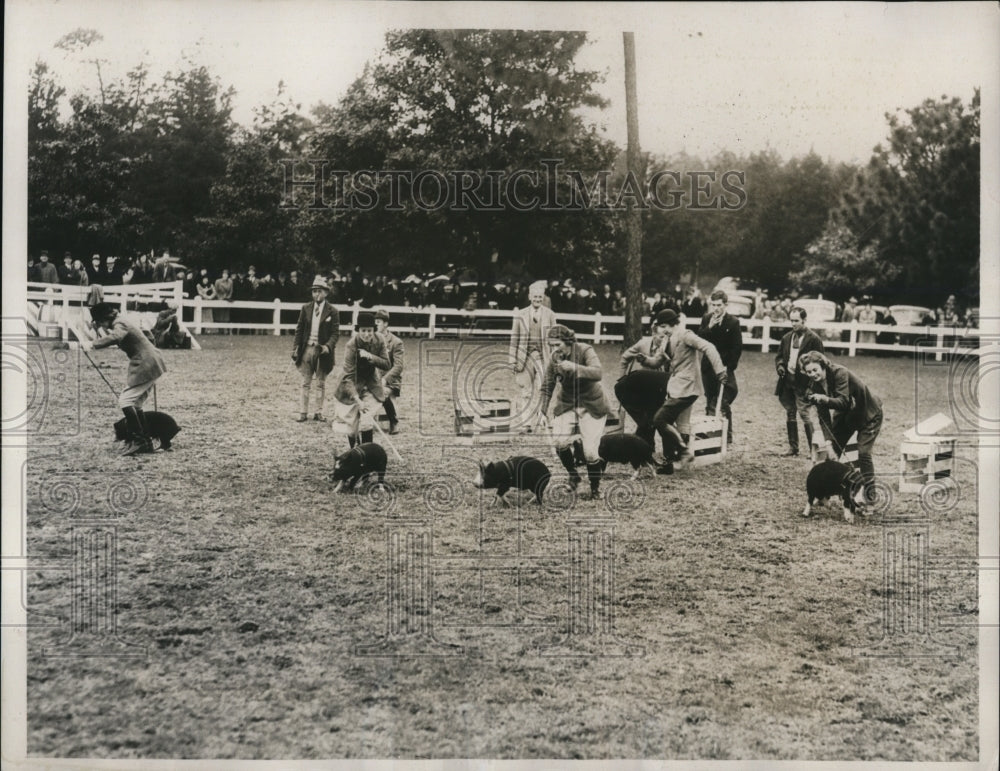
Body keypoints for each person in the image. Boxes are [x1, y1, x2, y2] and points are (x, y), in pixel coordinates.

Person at [82, 302, 167, 456]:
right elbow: (147, 335)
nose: (101, 326)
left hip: (146, 363)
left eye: (100, 322)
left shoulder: (119, 323)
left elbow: (116, 336)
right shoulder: (122, 320)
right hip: (152, 360)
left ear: (104, 318)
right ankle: (145, 442)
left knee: (125, 401)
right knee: (136, 403)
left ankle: (139, 441)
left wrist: (93, 344)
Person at [540, 324, 613, 499]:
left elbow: (598, 373)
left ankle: (595, 488)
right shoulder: (554, 358)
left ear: (568, 341)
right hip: (567, 403)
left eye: (557, 344)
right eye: (551, 345)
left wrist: (574, 367)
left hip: (592, 404)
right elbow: (547, 386)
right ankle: (574, 475)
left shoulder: (585, 350)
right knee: (559, 441)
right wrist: (542, 412)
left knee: (590, 451)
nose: (555, 349)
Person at [800, 351, 883, 501]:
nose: (812, 374)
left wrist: (824, 399)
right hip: (846, 417)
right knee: (832, 454)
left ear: (823, 366)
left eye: (815, 370)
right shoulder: (814, 385)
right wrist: (828, 442)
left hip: (868, 414)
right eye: (808, 372)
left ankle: (870, 496)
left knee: (863, 453)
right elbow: (824, 418)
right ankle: (825, 492)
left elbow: (844, 401)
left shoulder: (840, 373)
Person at [651, 309, 727, 472]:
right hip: (677, 387)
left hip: (688, 387)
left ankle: (684, 452)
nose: (661, 330)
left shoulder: (686, 335)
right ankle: (671, 463)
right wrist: (644, 359)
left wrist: (719, 370)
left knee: (660, 419)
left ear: (672, 324)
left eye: (664, 326)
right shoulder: (666, 340)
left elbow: (709, 347)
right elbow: (657, 361)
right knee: (679, 423)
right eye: (660, 326)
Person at [615, 309, 672, 463]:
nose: (663, 340)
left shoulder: (670, 347)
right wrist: (621, 378)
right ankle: (644, 450)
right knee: (647, 420)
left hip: (661, 389)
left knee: (659, 418)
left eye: (665, 337)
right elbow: (625, 357)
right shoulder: (643, 344)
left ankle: (663, 453)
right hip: (644, 388)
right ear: (653, 333)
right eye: (660, 337)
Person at [332, 311, 390, 449]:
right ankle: (354, 450)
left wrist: (371, 356)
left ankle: (366, 454)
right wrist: (357, 400)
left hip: (371, 384)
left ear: (374, 330)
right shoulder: (351, 345)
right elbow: (348, 376)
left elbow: (387, 364)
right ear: (358, 330)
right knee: (352, 427)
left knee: (367, 421)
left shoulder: (380, 340)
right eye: (363, 330)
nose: (366, 334)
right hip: (352, 384)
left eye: (369, 330)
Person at [774, 306, 825, 457]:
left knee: (805, 414)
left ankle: (813, 449)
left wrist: (812, 385)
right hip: (787, 381)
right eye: (791, 321)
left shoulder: (814, 339)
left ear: (804, 320)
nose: (793, 324)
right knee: (790, 412)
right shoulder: (787, 338)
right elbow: (780, 356)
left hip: (804, 384)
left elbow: (820, 363)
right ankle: (793, 447)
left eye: (796, 321)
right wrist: (780, 366)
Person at [509, 280, 557, 431]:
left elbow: (555, 340)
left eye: (540, 297)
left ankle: (543, 419)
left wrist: (555, 360)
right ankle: (526, 423)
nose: (537, 299)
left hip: (544, 357)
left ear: (543, 297)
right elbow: (514, 339)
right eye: (535, 296)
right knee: (526, 391)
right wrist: (512, 360)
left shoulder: (550, 315)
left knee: (544, 389)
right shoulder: (520, 315)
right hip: (525, 358)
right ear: (530, 297)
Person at [697, 290, 743, 445]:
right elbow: (699, 340)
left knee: (723, 401)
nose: (716, 308)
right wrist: (709, 327)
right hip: (708, 367)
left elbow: (737, 347)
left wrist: (729, 367)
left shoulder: (733, 322)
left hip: (724, 367)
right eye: (713, 305)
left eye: (719, 305)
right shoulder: (706, 318)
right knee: (709, 399)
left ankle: (727, 435)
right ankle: (709, 434)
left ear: (725, 305)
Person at [292, 276, 339, 422]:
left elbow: (335, 333)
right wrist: (296, 348)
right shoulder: (306, 308)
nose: (316, 294)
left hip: (322, 351)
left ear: (326, 293)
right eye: (314, 291)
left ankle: (318, 412)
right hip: (307, 349)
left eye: (319, 291)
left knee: (320, 383)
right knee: (305, 382)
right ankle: (303, 412)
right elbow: (299, 329)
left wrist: (327, 347)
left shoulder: (333, 311)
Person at [374, 308, 404, 434]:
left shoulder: (396, 342)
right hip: (372, 379)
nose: (375, 325)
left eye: (378, 322)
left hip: (390, 382)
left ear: (385, 324)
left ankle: (393, 421)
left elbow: (398, 366)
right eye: (374, 322)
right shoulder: (370, 339)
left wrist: (385, 379)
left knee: (383, 392)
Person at [213, 268, 234, 334]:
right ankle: (220, 330)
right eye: (224, 274)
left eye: (226, 274)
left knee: (226, 316)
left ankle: (227, 330)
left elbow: (231, 291)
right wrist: (220, 298)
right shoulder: (218, 281)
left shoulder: (230, 282)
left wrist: (228, 298)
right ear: (222, 275)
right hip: (219, 300)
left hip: (227, 300)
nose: (225, 275)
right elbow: (216, 291)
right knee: (219, 315)